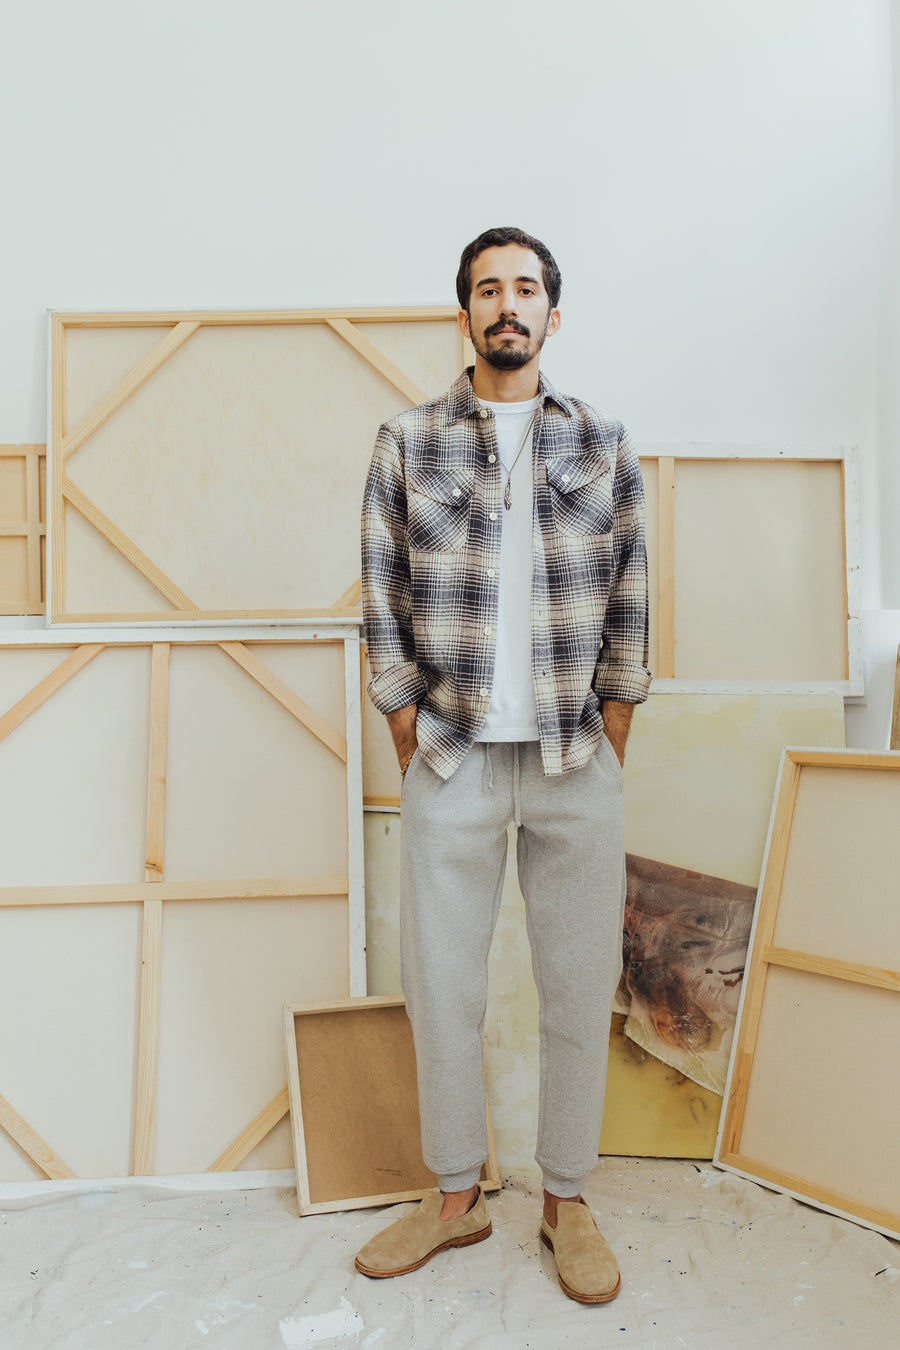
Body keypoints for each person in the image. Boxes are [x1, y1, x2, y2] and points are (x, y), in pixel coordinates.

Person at [357, 226, 650, 1304]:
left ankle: (566, 1202)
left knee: (578, 987)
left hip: (577, 756)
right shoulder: (407, 441)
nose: (507, 304)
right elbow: (379, 596)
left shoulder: (605, 444)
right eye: (488, 289)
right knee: (443, 986)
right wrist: (404, 725)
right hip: (452, 755)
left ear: (553, 314)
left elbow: (633, 599)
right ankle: (454, 1199)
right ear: (466, 314)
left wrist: (615, 728)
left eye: (526, 287)